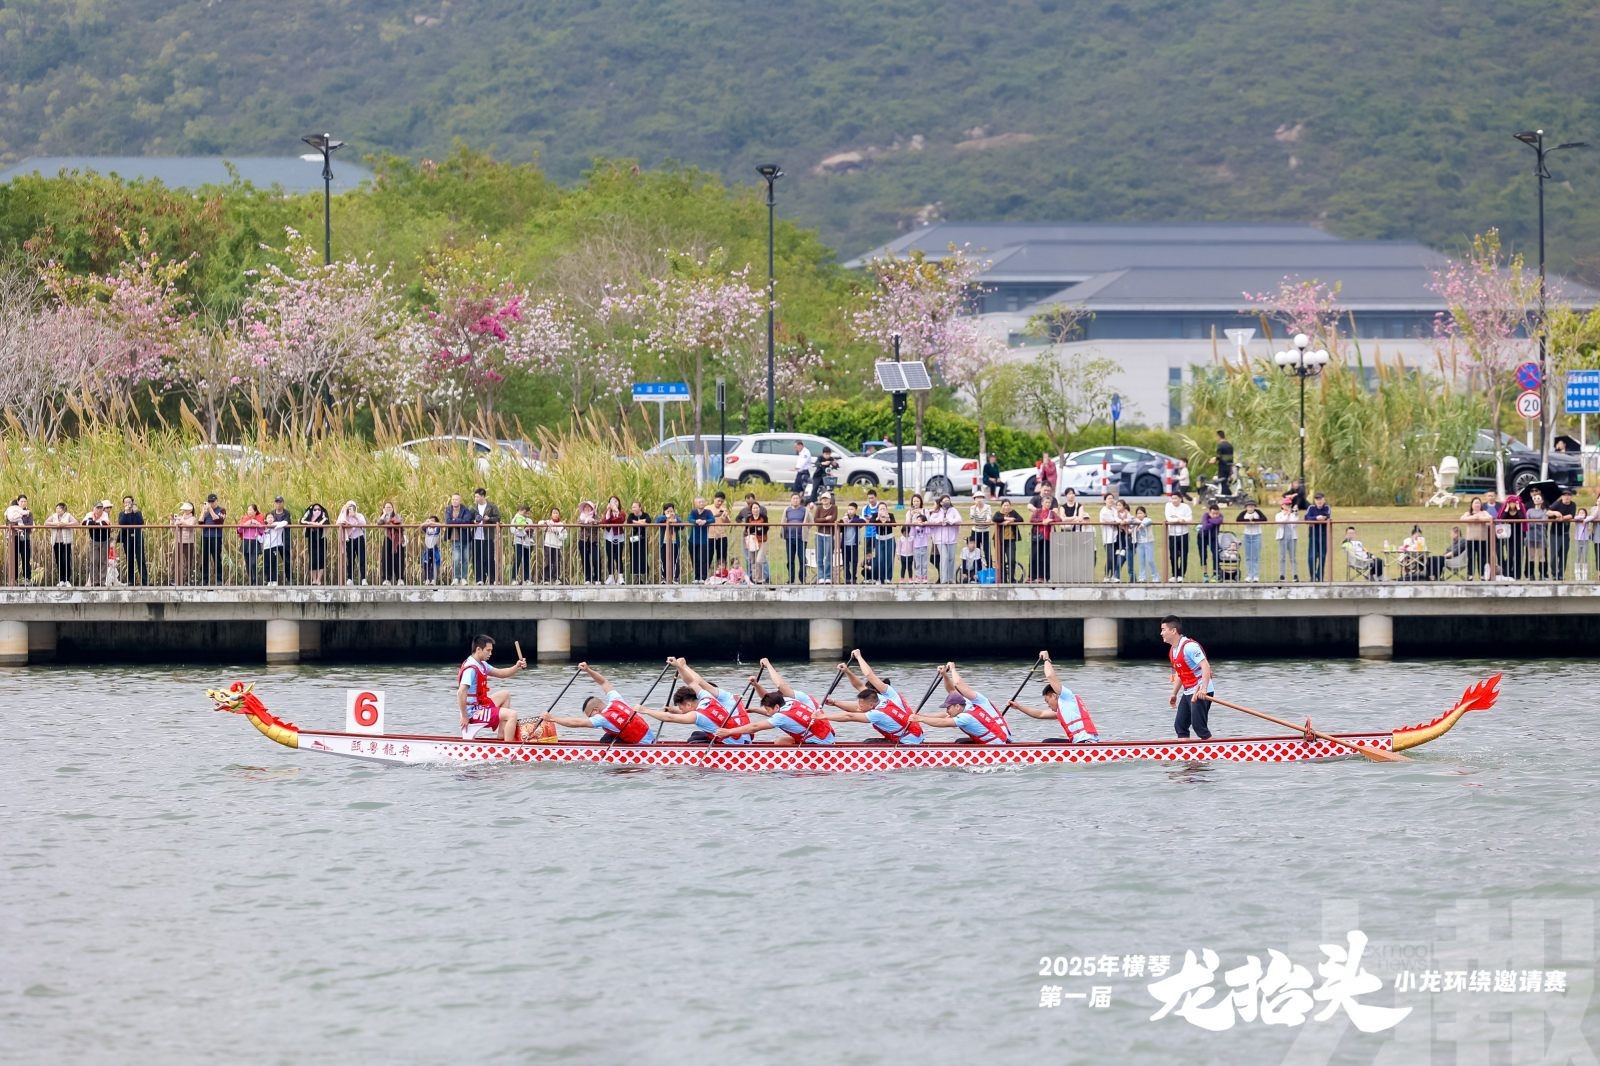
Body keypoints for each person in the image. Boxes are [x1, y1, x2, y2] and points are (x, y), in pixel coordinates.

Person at [717, 658, 837, 745]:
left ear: (776, 708)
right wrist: (756, 686)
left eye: (768, 710)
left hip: (820, 744)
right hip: (825, 736)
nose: (768, 713)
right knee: (780, 741)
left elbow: (755, 726)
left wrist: (729, 731)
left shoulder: (781, 717)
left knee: (779, 743)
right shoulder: (788, 701)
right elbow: (768, 698)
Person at [822, 650, 925, 745]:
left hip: (909, 741)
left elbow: (850, 715)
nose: (859, 707)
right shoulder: (883, 699)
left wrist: (859, 657)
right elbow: (859, 688)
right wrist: (835, 701)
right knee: (868, 741)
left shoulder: (879, 711)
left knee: (867, 744)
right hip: (913, 735)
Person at [542, 662, 660, 744]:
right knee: (607, 737)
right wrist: (588, 670)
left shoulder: (603, 718)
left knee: (605, 742)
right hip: (651, 738)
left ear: (595, 710)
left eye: (589, 716)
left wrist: (553, 718)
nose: (590, 718)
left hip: (640, 745)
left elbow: (576, 722)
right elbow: (604, 682)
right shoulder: (616, 699)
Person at [646, 657, 753, 744]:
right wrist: (681, 667)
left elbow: (698, 683)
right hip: (738, 734)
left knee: (694, 740)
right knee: (696, 735)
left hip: (739, 736)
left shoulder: (722, 698)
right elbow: (693, 684)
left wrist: (682, 667)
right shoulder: (711, 698)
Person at [1006, 650, 1101, 743]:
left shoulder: (1067, 697)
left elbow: (1050, 676)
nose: (1048, 705)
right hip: (1078, 742)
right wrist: (1018, 707)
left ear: (1054, 696)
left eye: (1047, 701)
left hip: (1086, 742)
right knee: (1047, 742)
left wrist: (1047, 659)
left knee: (1047, 745)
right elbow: (1040, 714)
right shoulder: (1062, 710)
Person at [911, 662, 1010, 744]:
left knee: (959, 743)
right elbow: (952, 692)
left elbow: (943, 722)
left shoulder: (966, 717)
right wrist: (945, 675)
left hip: (998, 746)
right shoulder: (968, 704)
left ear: (957, 706)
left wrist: (920, 719)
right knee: (959, 741)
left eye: (948, 708)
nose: (947, 711)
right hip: (1001, 739)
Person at [455, 633, 526, 742]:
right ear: (478, 649)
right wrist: (465, 716)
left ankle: (501, 736)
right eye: (488, 650)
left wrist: (517, 666)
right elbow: (460, 693)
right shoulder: (471, 669)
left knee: (505, 694)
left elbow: (502, 673)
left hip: (480, 706)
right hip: (473, 713)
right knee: (512, 715)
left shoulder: (481, 664)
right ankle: (508, 748)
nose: (490, 653)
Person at [1160, 615, 1214, 741]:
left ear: (1173, 631)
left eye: (1163, 629)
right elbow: (1180, 673)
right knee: (1180, 726)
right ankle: (1185, 757)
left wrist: (1204, 689)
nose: (1161, 633)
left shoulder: (1189, 646)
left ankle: (1218, 754)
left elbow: (1205, 665)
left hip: (1201, 691)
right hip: (1188, 691)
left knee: (1199, 727)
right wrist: (1174, 694)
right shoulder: (1173, 650)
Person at [471, 488, 501, 585]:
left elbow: (498, 518)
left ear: (483, 496)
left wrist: (489, 519)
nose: (476, 498)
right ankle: (479, 579)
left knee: (489, 558)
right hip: (476, 536)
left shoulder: (491, 506)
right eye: (475, 496)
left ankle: (492, 579)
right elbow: (469, 519)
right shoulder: (473, 508)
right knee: (477, 558)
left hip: (488, 536)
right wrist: (474, 522)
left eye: (477, 496)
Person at [117, 495, 149, 586]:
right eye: (126, 502)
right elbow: (121, 523)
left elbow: (141, 522)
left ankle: (144, 580)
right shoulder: (122, 514)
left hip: (137, 537)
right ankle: (131, 581)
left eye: (129, 502)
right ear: (123, 504)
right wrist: (126, 512)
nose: (128, 504)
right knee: (129, 559)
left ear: (132, 502)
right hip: (127, 538)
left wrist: (135, 512)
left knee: (140, 559)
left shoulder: (137, 513)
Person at [444, 492, 473, 585]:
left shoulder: (465, 510)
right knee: (456, 559)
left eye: (456, 499)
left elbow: (466, 522)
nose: (454, 501)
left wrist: (454, 520)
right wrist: (457, 522)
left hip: (465, 539)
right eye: (453, 499)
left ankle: (464, 578)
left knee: (465, 559)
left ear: (460, 500)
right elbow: (448, 521)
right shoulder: (448, 510)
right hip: (454, 539)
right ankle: (456, 578)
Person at [930, 494, 960, 583]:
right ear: (941, 502)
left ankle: (951, 579)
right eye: (945, 501)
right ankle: (943, 580)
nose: (947, 502)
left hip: (952, 538)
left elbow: (959, 519)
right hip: (940, 539)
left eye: (948, 500)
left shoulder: (953, 510)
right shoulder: (937, 511)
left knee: (951, 558)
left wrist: (950, 521)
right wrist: (940, 520)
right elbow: (931, 520)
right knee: (944, 557)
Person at [1548, 487, 1576, 580]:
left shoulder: (1573, 505)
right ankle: (1554, 573)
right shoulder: (1558, 503)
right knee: (1553, 556)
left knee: (1563, 555)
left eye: (1568, 495)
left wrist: (1562, 518)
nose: (1566, 497)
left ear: (1571, 497)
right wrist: (1555, 512)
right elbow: (1548, 512)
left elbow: (1572, 515)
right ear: (1562, 496)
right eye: (1565, 495)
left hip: (1565, 534)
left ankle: (1560, 575)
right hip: (1554, 533)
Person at [45, 501, 76, 587]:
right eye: (57, 508)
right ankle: (61, 579)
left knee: (66, 560)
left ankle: (67, 580)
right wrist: (55, 524)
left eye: (59, 508)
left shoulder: (68, 515)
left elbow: (76, 523)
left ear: (64, 509)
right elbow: (46, 523)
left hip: (66, 541)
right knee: (59, 561)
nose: (58, 510)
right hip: (56, 542)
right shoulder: (54, 516)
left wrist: (64, 524)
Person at [1460, 497, 1492, 579]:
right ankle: (1470, 574)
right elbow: (1462, 519)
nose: (1477, 504)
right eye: (1475, 503)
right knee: (1471, 557)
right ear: (1472, 505)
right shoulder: (1468, 513)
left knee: (1482, 558)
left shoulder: (1484, 512)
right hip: (1470, 539)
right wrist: (1473, 517)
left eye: (1478, 503)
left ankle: (1482, 575)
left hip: (1482, 539)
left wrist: (1480, 518)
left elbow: (1490, 518)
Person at [337, 500, 368, 585]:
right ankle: (350, 578)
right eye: (349, 506)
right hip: (349, 539)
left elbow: (364, 524)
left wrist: (355, 516)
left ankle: (363, 578)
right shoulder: (344, 516)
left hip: (359, 537)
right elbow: (339, 523)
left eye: (352, 506)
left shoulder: (359, 515)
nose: (350, 508)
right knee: (350, 559)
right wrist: (343, 512)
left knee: (361, 558)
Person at [1164, 491, 1192, 582]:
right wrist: (1179, 519)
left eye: (1176, 498)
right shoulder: (1168, 506)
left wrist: (1182, 520)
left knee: (1183, 555)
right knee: (1173, 555)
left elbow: (1189, 519)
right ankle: (1174, 574)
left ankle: (1181, 575)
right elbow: (1169, 518)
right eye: (1172, 498)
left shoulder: (1186, 507)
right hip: (1172, 534)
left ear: (1180, 498)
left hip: (1184, 533)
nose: (1174, 500)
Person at [811, 491, 839, 584]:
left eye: (826, 499)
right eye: (823, 499)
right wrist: (825, 519)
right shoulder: (819, 508)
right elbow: (816, 520)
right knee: (819, 557)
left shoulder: (834, 508)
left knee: (828, 557)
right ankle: (820, 576)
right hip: (819, 534)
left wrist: (823, 520)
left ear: (830, 500)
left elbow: (833, 519)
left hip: (829, 534)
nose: (824, 500)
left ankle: (828, 576)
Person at [1236, 499, 1266, 582]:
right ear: (1246, 507)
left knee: (1255, 557)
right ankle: (1249, 575)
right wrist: (1248, 521)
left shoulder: (1258, 513)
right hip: (1247, 535)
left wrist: (1255, 521)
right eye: (1249, 506)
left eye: (1252, 506)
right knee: (1248, 557)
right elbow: (1238, 519)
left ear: (1254, 507)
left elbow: (1264, 519)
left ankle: (1256, 575)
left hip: (1257, 535)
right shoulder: (1244, 513)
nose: (1250, 508)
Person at [6, 495, 33, 586]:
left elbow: (29, 526)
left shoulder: (28, 513)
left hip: (25, 538)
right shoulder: (12, 510)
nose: (23, 503)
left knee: (26, 557)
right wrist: (19, 525)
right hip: (14, 538)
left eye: (25, 501)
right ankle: (14, 579)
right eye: (21, 501)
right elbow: (9, 522)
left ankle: (27, 578)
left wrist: (19, 526)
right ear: (18, 502)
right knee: (14, 558)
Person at [200, 493, 227, 585]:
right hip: (205, 536)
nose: (211, 503)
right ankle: (204, 579)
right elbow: (200, 522)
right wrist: (203, 512)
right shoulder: (206, 511)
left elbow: (218, 521)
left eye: (213, 501)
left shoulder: (222, 510)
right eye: (209, 502)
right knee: (205, 559)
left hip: (216, 537)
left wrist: (211, 510)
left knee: (217, 558)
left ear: (216, 501)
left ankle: (219, 580)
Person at [994, 498, 1023, 582]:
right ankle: (1003, 579)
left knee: (1012, 559)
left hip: (1011, 540)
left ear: (1010, 506)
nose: (1006, 507)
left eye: (1008, 505)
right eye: (1005, 505)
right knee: (1000, 560)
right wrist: (1007, 519)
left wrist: (1011, 520)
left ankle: (1011, 578)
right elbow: (995, 519)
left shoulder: (1013, 513)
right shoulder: (998, 513)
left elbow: (1021, 519)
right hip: (1000, 540)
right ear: (1002, 506)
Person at [686, 496, 714, 582]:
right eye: (699, 502)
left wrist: (705, 521)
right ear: (695, 504)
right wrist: (696, 521)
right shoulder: (693, 512)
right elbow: (689, 519)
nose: (701, 503)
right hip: (693, 540)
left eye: (702, 501)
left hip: (704, 540)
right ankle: (697, 577)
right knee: (694, 559)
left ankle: (703, 577)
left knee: (703, 559)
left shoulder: (708, 512)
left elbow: (712, 519)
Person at [376, 501, 405, 585]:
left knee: (399, 559)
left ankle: (400, 578)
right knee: (386, 558)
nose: (388, 509)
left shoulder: (397, 516)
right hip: (388, 538)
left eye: (390, 507)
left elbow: (400, 524)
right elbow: (379, 523)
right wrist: (384, 514)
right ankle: (386, 579)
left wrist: (389, 522)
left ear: (393, 508)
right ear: (384, 509)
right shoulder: (384, 517)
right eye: (386, 507)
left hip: (397, 539)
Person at [1304, 492, 1331, 581]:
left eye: (1320, 499)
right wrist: (1316, 518)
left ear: (1324, 499)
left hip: (1323, 535)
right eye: (1317, 499)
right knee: (1311, 557)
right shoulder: (1311, 508)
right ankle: (1313, 576)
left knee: (1322, 556)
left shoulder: (1327, 507)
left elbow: (1327, 516)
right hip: (1313, 535)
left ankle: (1320, 577)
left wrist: (1316, 519)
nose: (1319, 501)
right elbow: (1306, 518)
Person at [236, 503, 265, 586]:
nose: (249, 512)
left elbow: (263, 531)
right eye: (248, 510)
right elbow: (239, 530)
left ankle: (255, 580)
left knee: (253, 562)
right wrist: (246, 524)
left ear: (255, 511)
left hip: (254, 542)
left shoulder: (259, 519)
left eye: (251, 510)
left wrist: (257, 523)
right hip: (246, 541)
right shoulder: (245, 519)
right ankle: (250, 581)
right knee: (248, 562)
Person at [601, 495, 627, 584]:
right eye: (612, 501)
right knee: (610, 557)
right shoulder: (607, 513)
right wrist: (608, 510)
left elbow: (620, 520)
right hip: (609, 537)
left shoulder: (622, 513)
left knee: (618, 557)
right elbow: (604, 522)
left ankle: (620, 577)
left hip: (619, 537)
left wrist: (616, 511)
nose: (614, 503)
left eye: (616, 501)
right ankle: (611, 577)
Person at [302, 502, 330, 585]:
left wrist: (318, 524)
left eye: (318, 509)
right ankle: (314, 579)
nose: (317, 511)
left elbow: (326, 521)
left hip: (321, 538)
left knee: (321, 559)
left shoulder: (324, 515)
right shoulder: (309, 516)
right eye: (315, 509)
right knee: (313, 559)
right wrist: (312, 523)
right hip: (312, 539)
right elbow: (302, 521)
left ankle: (319, 579)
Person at [743, 500, 770, 584]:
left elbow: (765, 529)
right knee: (753, 560)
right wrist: (756, 529)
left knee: (759, 560)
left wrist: (756, 530)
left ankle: (760, 578)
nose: (756, 509)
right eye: (754, 508)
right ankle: (754, 579)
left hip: (762, 540)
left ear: (759, 508)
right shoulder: (749, 518)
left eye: (757, 508)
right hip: (752, 541)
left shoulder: (763, 517)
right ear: (751, 510)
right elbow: (748, 529)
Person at [536, 506, 565, 583]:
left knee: (556, 562)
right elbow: (539, 523)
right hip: (548, 544)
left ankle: (556, 578)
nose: (555, 514)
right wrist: (546, 523)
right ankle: (546, 579)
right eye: (554, 513)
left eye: (557, 513)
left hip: (557, 545)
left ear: (559, 515)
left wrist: (557, 533)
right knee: (547, 562)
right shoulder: (548, 522)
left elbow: (564, 536)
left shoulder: (561, 524)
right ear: (551, 515)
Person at [1274, 495, 1299, 581]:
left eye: (1289, 505)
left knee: (1292, 557)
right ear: (1282, 505)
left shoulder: (1293, 515)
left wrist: (1293, 514)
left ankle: (1295, 575)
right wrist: (1286, 515)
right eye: (1286, 505)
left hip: (1292, 537)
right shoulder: (1278, 515)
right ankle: (1282, 575)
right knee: (1282, 557)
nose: (1288, 506)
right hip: (1282, 537)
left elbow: (1295, 523)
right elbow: (1280, 523)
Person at [1524, 491, 1549, 580]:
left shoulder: (1544, 511)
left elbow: (1544, 522)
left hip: (1541, 536)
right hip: (1530, 536)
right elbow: (1527, 523)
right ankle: (1531, 574)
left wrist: (1533, 521)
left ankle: (1542, 574)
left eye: (1538, 498)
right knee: (1531, 556)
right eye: (1535, 498)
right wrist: (1536, 521)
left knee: (1541, 556)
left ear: (1542, 500)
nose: (1536, 500)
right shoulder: (1529, 511)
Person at [656, 501, 682, 583]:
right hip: (664, 542)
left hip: (674, 542)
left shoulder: (676, 517)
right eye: (668, 511)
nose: (670, 513)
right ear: (664, 512)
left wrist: (675, 520)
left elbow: (682, 525)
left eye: (671, 511)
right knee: (663, 560)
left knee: (675, 560)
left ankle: (675, 578)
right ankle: (664, 578)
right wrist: (666, 517)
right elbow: (657, 520)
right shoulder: (662, 518)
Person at [576, 500, 601, 584]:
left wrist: (593, 521)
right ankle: (588, 578)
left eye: (588, 507)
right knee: (585, 559)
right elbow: (579, 522)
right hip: (583, 540)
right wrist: (586, 521)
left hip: (593, 540)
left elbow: (599, 522)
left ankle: (597, 578)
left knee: (595, 559)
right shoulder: (581, 516)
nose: (587, 509)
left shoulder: (595, 515)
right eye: (585, 507)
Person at [627, 499, 652, 582]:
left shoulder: (645, 514)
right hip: (634, 538)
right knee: (634, 557)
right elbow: (629, 521)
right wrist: (641, 522)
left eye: (635, 507)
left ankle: (645, 576)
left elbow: (648, 520)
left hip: (643, 538)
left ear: (640, 508)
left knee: (643, 557)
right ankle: (636, 577)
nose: (633, 509)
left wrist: (637, 522)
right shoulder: (631, 515)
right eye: (632, 507)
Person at [1098, 493, 1122, 581]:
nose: (1111, 500)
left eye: (1112, 498)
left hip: (1115, 537)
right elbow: (1113, 520)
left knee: (1115, 557)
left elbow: (1117, 519)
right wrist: (1119, 521)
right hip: (1108, 538)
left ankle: (1113, 576)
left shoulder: (1114, 510)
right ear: (1105, 500)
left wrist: (1119, 521)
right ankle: (1106, 575)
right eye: (1108, 498)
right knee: (1110, 557)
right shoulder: (1103, 511)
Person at [1198, 502, 1224, 582]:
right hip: (1202, 536)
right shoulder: (1205, 515)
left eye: (1217, 513)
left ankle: (1215, 574)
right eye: (1213, 513)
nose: (1215, 515)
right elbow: (1205, 526)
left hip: (1213, 537)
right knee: (1203, 555)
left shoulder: (1220, 516)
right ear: (1209, 512)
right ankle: (1205, 575)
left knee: (1215, 554)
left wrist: (1210, 521)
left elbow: (1218, 521)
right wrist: (1212, 521)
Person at [173, 502, 198, 584]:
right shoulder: (180, 518)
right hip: (179, 541)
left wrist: (182, 522)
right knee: (177, 561)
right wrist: (172, 521)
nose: (185, 511)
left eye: (187, 509)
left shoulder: (193, 518)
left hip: (188, 542)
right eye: (184, 509)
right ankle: (178, 580)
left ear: (191, 510)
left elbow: (191, 527)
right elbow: (173, 530)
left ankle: (188, 580)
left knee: (188, 562)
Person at [707, 492, 731, 575]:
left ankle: (722, 575)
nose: (720, 503)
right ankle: (705, 575)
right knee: (708, 556)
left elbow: (728, 522)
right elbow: (705, 520)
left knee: (722, 557)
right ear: (714, 499)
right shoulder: (708, 508)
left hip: (722, 536)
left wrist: (725, 517)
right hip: (710, 536)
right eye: (718, 500)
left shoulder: (724, 509)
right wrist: (716, 515)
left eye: (722, 501)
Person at [969, 490, 993, 569]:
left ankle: (989, 569)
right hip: (975, 531)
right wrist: (976, 507)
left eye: (981, 498)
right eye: (977, 498)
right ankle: (978, 570)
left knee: (987, 550)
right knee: (976, 551)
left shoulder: (988, 507)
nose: (979, 499)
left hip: (985, 531)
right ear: (974, 499)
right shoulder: (972, 507)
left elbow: (989, 517)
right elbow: (972, 517)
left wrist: (986, 521)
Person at [840, 502, 864, 585]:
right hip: (845, 544)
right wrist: (843, 521)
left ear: (856, 510)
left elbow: (862, 521)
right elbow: (839, 527)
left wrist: (850, 522)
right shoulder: (844, 518)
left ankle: (853, 578)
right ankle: (847, 578)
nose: (850, 511)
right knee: (845, 562)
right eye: (849, 509)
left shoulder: (857, 518)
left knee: (854, 562)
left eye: (852, 509)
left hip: (854, 544)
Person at [1133, 505, 1156, 582]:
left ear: (1145, 514)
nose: (1139, 515)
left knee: (1150, 560)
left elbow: (1148, 521)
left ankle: (1155, 576)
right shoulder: (1135, 521)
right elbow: (1131, 522)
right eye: (1138, 513)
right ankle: (1142, 577)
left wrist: (1141, 525)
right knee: (1141, 561)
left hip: (1148, 542)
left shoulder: (1147, 519)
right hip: (1139, 543)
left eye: (1141, 513)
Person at [420, 514, 442, 584]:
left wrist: (433, 523)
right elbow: (421, 526)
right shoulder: (427, 528)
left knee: (434, 563)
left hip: (434, 548)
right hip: (427, 548)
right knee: (426, 564)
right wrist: (426, 522)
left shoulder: (437, 528)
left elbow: (440, 525)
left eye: (433, 521)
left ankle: (433, 579)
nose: (431, 523)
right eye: (430, 521)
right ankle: (427, 579)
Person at [1215, 430, 1235, 497]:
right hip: (1229, 466)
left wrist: (1214, 460)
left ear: (1218, 436)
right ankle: (1229, 496)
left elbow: (1218, 456)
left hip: (1222, 467)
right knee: (1226, 482)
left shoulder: (1220, 445)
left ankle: (1227, 497)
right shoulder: (1230, 445)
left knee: (1222, 482)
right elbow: (1231, 457)